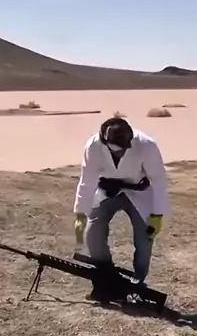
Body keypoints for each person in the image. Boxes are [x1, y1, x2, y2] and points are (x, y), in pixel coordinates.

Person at [73, 117, 170, 286]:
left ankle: (137, 282)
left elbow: (159, 180)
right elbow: (87, 182)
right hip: (107, 191)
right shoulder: (93, 146)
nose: (123, 152)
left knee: (146, 237)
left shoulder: (146, 145)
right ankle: (106, 275)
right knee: (93, 233)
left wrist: (157, 215)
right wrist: (80, 214)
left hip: (139, 192)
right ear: (104, 141)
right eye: (118, 149)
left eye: (125, 147)